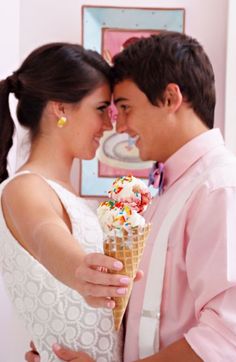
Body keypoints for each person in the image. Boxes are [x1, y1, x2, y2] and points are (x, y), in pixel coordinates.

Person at [26, 31, 236, 361]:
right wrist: (65, 336)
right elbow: (146, 316)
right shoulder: (168, 190)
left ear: (170, 98)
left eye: (125, 107)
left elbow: (226, 337)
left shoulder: (219, 189)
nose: (119, 127)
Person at [0, 42, 136, 362]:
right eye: (101, 109)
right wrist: (80, 270)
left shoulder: (61, 191)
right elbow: (46, 238)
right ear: (60, 108)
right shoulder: (25, 189)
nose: (108, 125)